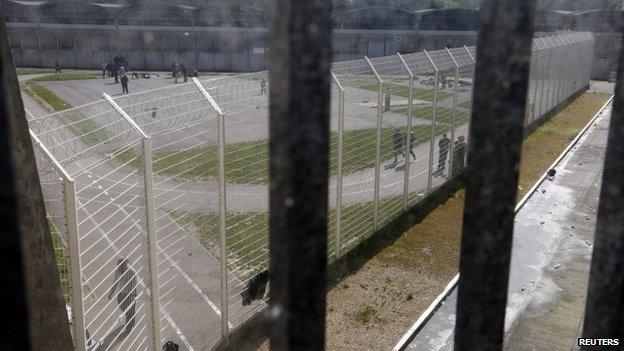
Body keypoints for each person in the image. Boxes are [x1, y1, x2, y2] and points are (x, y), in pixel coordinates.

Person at [108, 258, 137, 333]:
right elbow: (115, 282)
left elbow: (134, 285)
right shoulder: (117, 271)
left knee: (129, 310)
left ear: (124, 265)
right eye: (118, 265)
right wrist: (111, 293)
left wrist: (133, 296)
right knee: (122, 306)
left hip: (130, 293)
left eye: (120, 265)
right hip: (121, 293)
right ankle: (130, 317)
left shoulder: (131, 272)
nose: (118, 267)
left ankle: (129, 326)